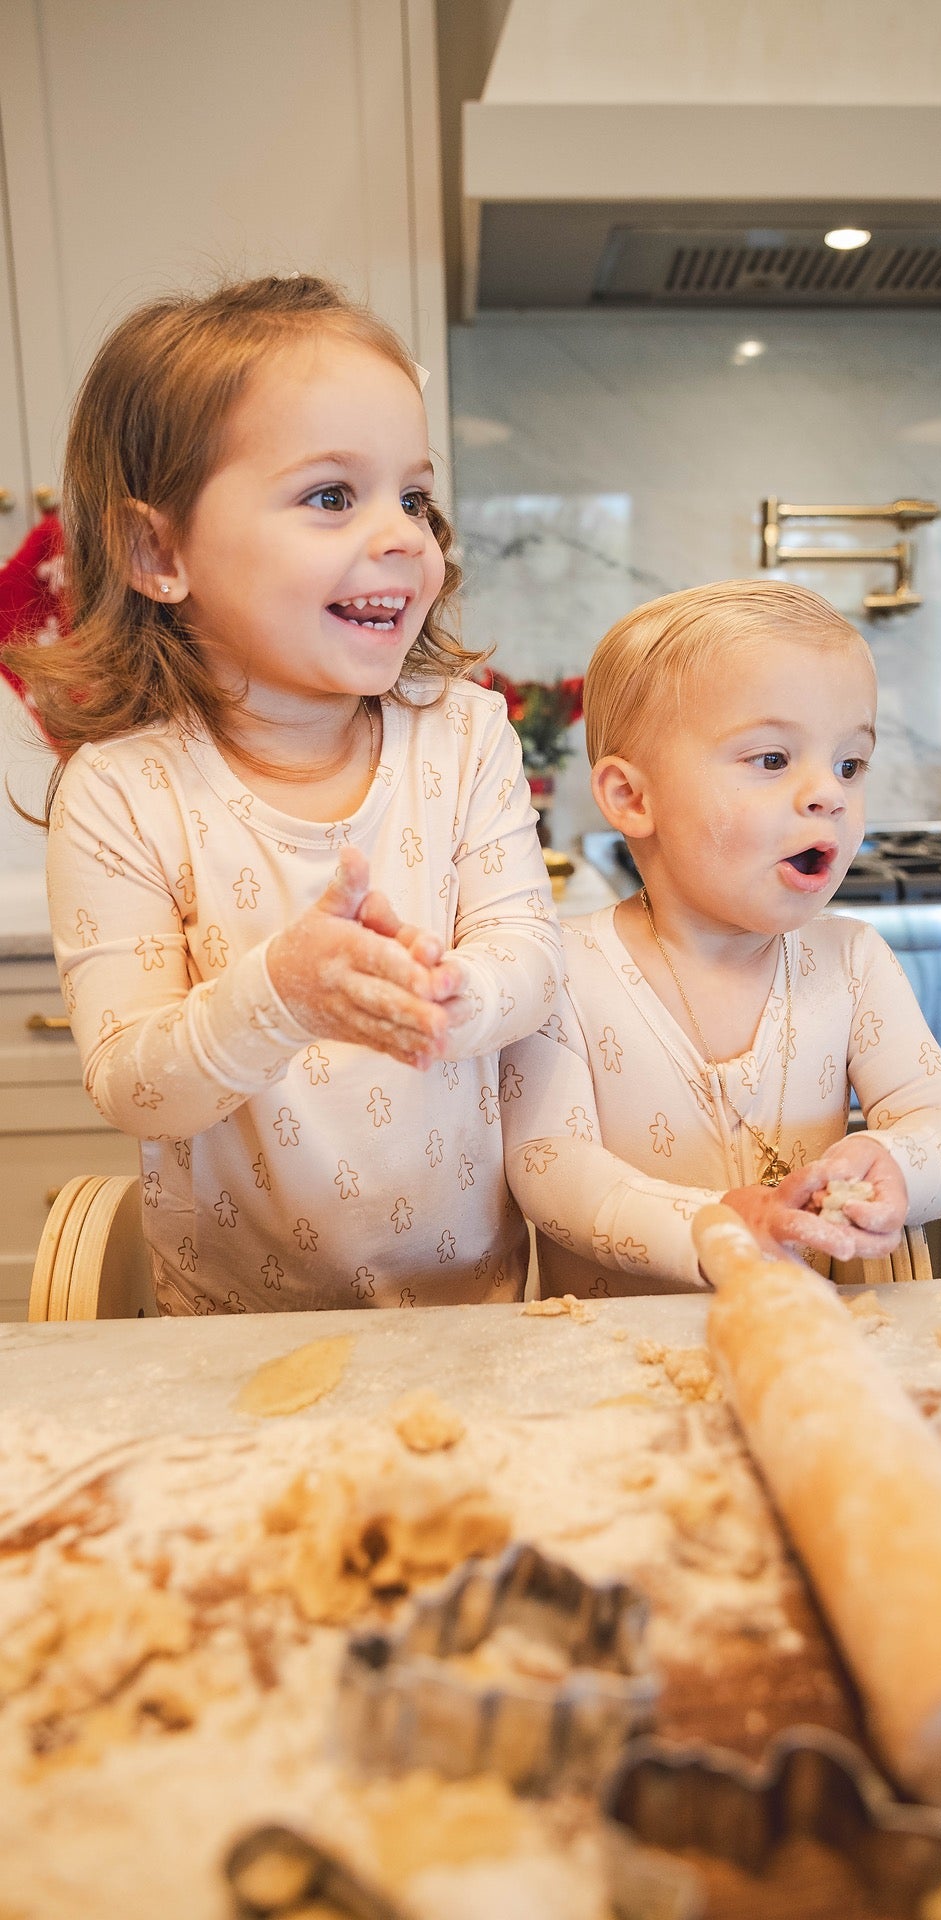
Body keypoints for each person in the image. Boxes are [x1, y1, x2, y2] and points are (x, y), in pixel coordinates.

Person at [8, 275, 562, 1315]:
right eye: (329, 496)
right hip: (223, 1342)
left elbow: (530, 959)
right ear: (157, 552)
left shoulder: (462, 734)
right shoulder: (123, 794)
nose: (405, 536)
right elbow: (134, 1082)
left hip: (475, 1320)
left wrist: (460, 995)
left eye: (414, 498)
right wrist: (282, 995)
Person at [502, 579, 941, 1296]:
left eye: (850, 764)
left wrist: (896, 1161)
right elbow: (552, 1169)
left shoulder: (852, 962)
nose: (829, 793)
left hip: (823, 1345)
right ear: (633, 798)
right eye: (773, 759)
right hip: (625, 1360)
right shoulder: (562, 970)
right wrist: (712, 1226)